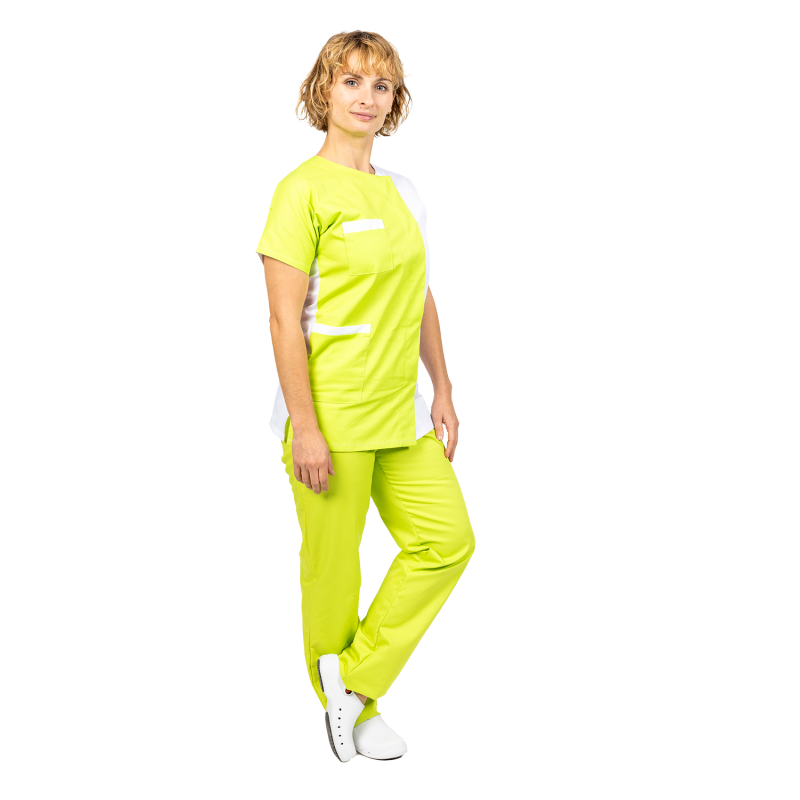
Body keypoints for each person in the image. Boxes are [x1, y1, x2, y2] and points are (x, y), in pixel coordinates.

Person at [255, 28, 476, 764]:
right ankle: (351, 715)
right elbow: (282, 319)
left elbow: (421, 297)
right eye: (351, 81)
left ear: (395, 101)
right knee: (334, 566)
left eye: (382, 85)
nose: (367, 97)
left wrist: (442, 389)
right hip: (331, 411)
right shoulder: (299, 191)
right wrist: (306, 427)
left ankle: (353, 682)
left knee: (448, 541)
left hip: (400, 409)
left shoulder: (405, 191)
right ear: (323, 91)